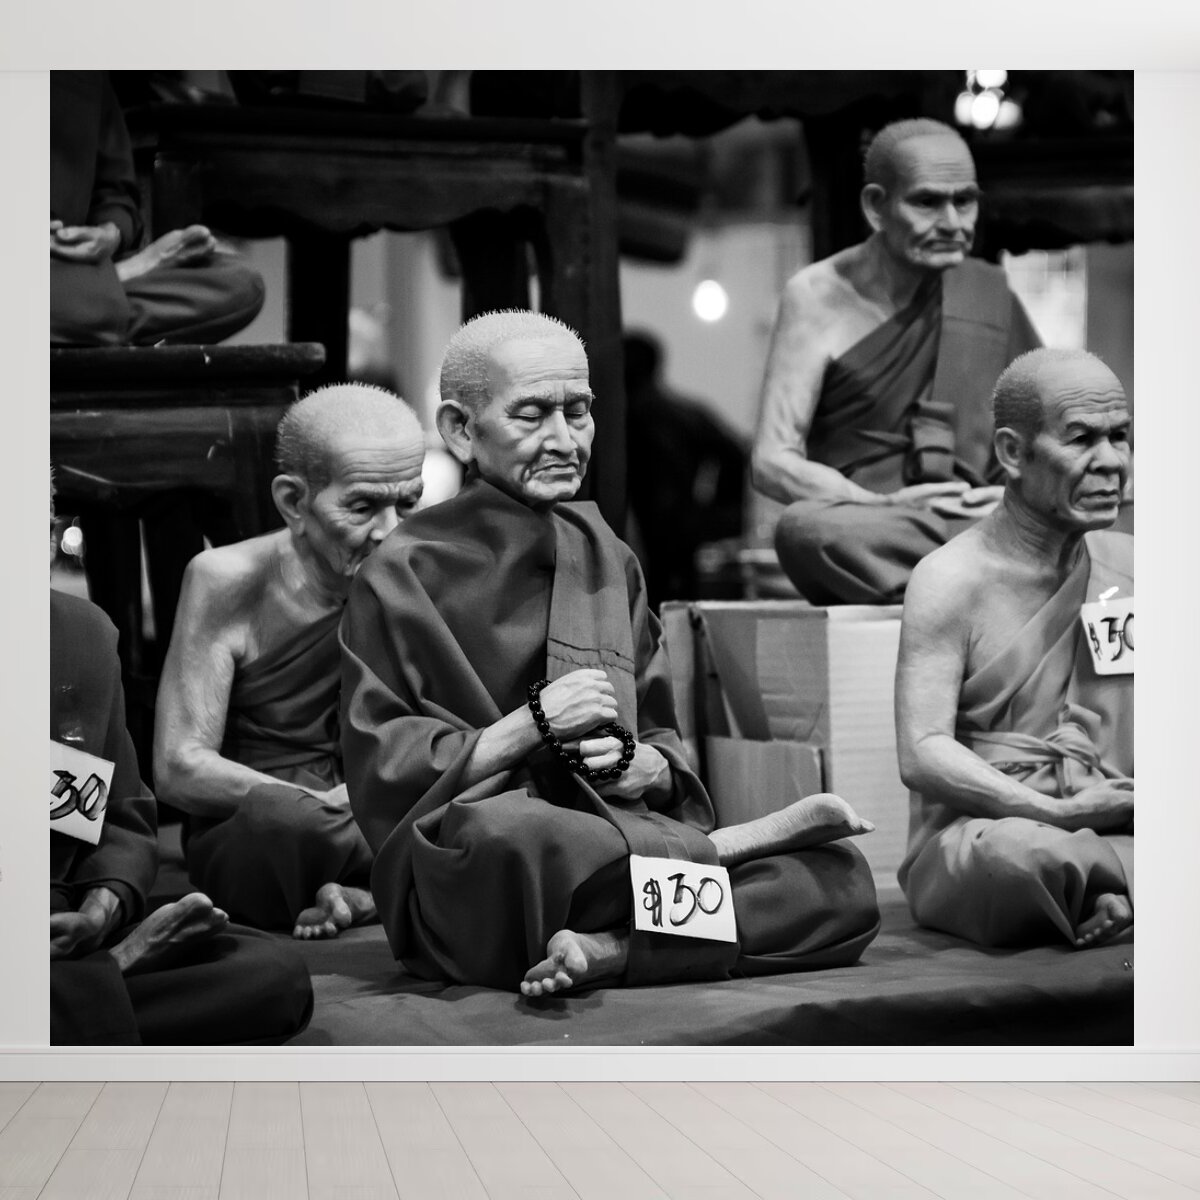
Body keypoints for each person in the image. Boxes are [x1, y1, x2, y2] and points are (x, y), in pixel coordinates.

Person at [341, 310, 880, 996]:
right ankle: (707, 863)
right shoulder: (400, 573)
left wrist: (652, 768)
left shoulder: (608, 557)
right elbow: (386, 771)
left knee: (841, 881)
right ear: (460, 430)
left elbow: (658, 740)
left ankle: (613, 950)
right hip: (502, 868)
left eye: (578, 412)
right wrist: (532, 725)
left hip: (614, 838)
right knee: (510, 833)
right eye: (532, 415)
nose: (564, 439)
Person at [153, 385, 426, 939]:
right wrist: (321, 802)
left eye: (408, 503)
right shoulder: (227, 580)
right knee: (283, 824)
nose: (391, 531)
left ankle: (359, 894)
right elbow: (178, 768)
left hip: (375, 802)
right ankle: (386, 887)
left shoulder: (417, 572)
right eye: (362, 507)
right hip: (272, 817)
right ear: (294, 503)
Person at [895, 348, 1133, 949]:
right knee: (1017, 858)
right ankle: (1117, 883)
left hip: (1122, 811)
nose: (1112, 461)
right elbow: (922, 753)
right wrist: (1057, 814)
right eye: (1082, 439)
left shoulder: (1134, 566)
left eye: (1120, 436)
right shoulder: (950, 579)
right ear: (1012, 452)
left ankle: (1107, 887)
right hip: (994, 827)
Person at [752, 118, 1042, 605]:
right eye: (928, 202)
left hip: (980, 517)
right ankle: (971, 585)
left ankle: (952, 583)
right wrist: (884, 503)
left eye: (965, 201)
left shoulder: (987, 293)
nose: (953, 223)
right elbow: (771, 460)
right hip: (882, 525)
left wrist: (1019, 494)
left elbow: (1051, 426)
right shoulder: (817, 296)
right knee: (804, 530)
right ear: (875, 206)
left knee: (1095, 522)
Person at [51, 571, 313, 1045]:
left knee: (270, 972)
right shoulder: (225, 577)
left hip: (63, 927)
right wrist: (123, 958)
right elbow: (179, 769)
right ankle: (102, 983)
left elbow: (120, 816)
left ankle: (82, 998)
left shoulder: (80, 632)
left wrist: (99, 911)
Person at [51, 70, 264, 347]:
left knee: (239, 283)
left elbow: (115, 192)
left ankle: (81, 317)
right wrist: (139, 265)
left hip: (75, 277)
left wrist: (110, 233)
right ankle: (109, 292)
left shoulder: (87, 74)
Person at [624, 331, 748, 610]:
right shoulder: (687, 412)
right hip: (679, 524)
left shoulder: (623, 416)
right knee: (675, 598)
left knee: (659, 596)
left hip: (660, 526)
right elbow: (736, 456)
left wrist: (714, 510)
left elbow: (735, 457)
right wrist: (713, 509)